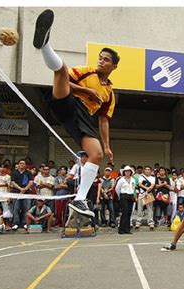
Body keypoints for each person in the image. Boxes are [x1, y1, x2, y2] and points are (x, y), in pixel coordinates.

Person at [34, 9, 118, 217]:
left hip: (80, 117)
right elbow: (67, 83)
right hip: (67, 101)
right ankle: (44, 44)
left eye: (106, 60)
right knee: (61, 71)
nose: (101, 61)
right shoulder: (86, 71)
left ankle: (80, 199)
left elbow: (104, 121)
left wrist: (107, 147)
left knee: (96, 154)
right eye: (100, 58)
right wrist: (86, 90)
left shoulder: (110, 93)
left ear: (114, 66)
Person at [114, 166, 136, 234]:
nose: (127, 172)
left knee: (129, 212)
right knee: (124, 212)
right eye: (126, 171)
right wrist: (120, 196)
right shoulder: (121, 180)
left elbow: (133, 188)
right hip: (123, 196)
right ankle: (121, 229)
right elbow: (117, 189)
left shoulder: (133, 179)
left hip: (131, 196)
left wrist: (133, 195)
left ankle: (127, 229)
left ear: (131, 172)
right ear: (124, 172)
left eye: (129, 171)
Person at [136, 166, 156, 230]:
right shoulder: (140, 177)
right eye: (146, 169)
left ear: (150, 171)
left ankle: (150, 222)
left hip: (149, 194)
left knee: (149, 209)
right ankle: (138, 222)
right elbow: (139, 184)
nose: (147, 171)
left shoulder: (153, 178)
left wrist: (148, 190)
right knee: (140, 209)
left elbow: (152, 185)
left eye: (148, 169)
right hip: (141, 194)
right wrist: (146, 188)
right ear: (144, 171)